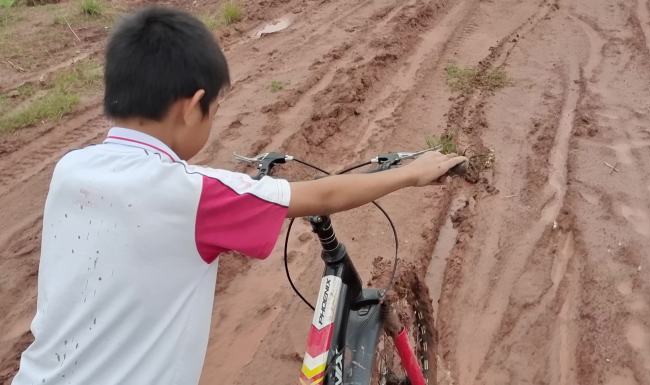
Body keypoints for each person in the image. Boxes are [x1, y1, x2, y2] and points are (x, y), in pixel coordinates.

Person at [11, 6, 465, 385]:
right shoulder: (196, 197)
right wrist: (410, 174)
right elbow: (323, 195)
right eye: (215, 111)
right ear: (192, 107)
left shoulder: (70, 168)